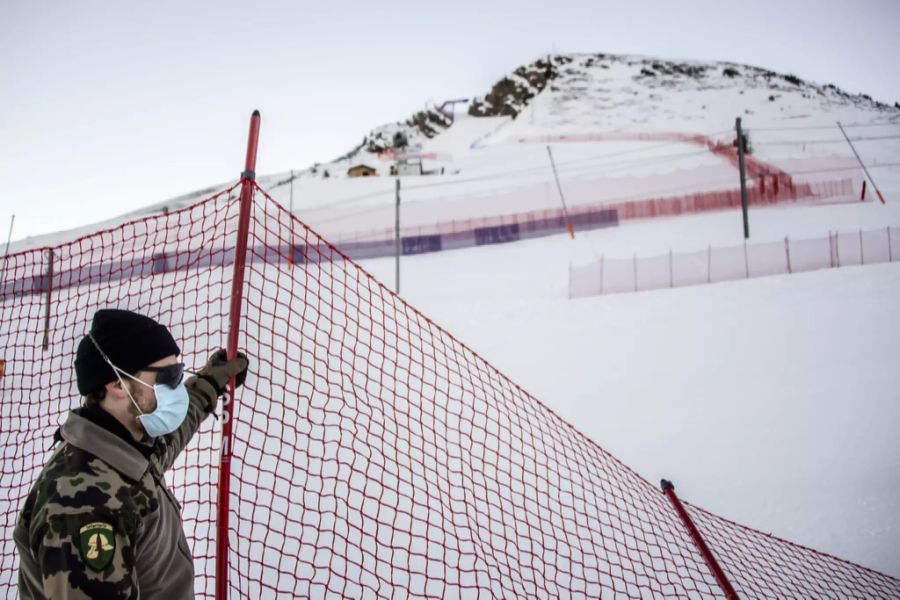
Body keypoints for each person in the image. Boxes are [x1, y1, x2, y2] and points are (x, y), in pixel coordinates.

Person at [14, 309, 250, 599]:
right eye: (168, 376)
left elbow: (168, 440)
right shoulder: (83, 506)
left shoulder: (126, 446)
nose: (177, 388)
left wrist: (210, 383)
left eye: (179, 372)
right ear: (116, 384)